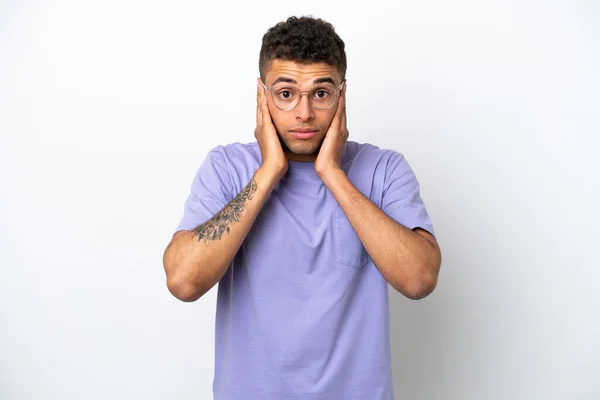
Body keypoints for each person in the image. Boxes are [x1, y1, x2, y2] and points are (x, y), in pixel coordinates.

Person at [163, 15, 441, 400]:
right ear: (262, 96)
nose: (305, 113)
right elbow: (183, 281)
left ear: (342, 96)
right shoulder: (227, 168)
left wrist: (332, 173)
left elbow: (419, 280)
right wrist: (268, 172)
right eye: (286, 93)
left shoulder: (384, 169)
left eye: (321, 94)